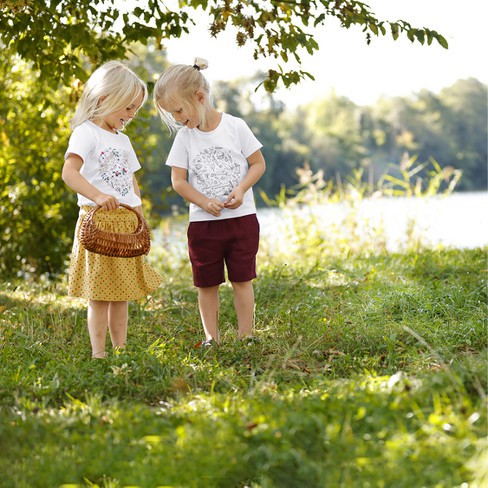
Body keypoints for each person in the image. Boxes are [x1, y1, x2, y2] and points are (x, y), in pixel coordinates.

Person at [153, 57, 266, 347]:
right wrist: (203, 201)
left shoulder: (235, 126)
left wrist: (241, 190)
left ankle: (247, 336)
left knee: (242, 279)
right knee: (206, 283)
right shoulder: (185, 139)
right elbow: (178, 181)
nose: (178, 118)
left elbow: (257, 164)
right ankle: (211, 339)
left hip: (242, 220)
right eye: (172, 114)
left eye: (179, 110)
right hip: (203, 226)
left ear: (200, 98)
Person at [62, 61, 162, 358]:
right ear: (105, 99)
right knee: (99, 295)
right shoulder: (86, 133)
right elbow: (70, 172)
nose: (131, 116)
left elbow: (132, 181)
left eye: (135, 109)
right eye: (128, 108)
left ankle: (120, 350)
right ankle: (99, 353)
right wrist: (97, 194)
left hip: (125, 224)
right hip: (98, 223)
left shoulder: (124, 140)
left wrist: (140, 217)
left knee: (123, 294)